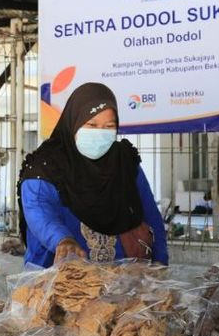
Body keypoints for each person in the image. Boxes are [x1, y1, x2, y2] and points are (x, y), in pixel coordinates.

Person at [17, 82, 168, 268]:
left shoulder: (125, 162)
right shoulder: (45, 166)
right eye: (91, 125)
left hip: (122, 279)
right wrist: (62, 239)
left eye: (109, 126)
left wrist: (160, 261)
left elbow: (151, 216)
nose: (100, 133)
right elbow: (39, 210)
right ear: (73, 122)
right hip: (54, 277)